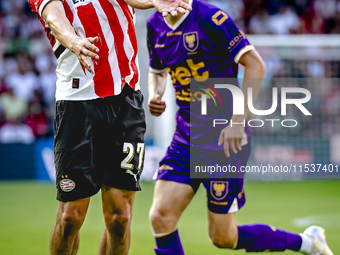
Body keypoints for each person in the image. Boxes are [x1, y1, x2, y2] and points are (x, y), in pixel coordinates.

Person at [146, 0, 334, 254]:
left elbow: (256, 64)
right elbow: (157, 71)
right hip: (186, 135)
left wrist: (236, 122)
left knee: (223, 237)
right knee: (160, 216)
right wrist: (155, 93)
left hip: (224, 137)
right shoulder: (153, 24)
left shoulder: (211, 18)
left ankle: (307, 242)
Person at [28, 0, 192, 254]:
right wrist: (73, 41)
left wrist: (153, 1)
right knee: (71, 216)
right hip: (77, 106)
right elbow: (54, 16)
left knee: (120, 218)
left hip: (125, 103)